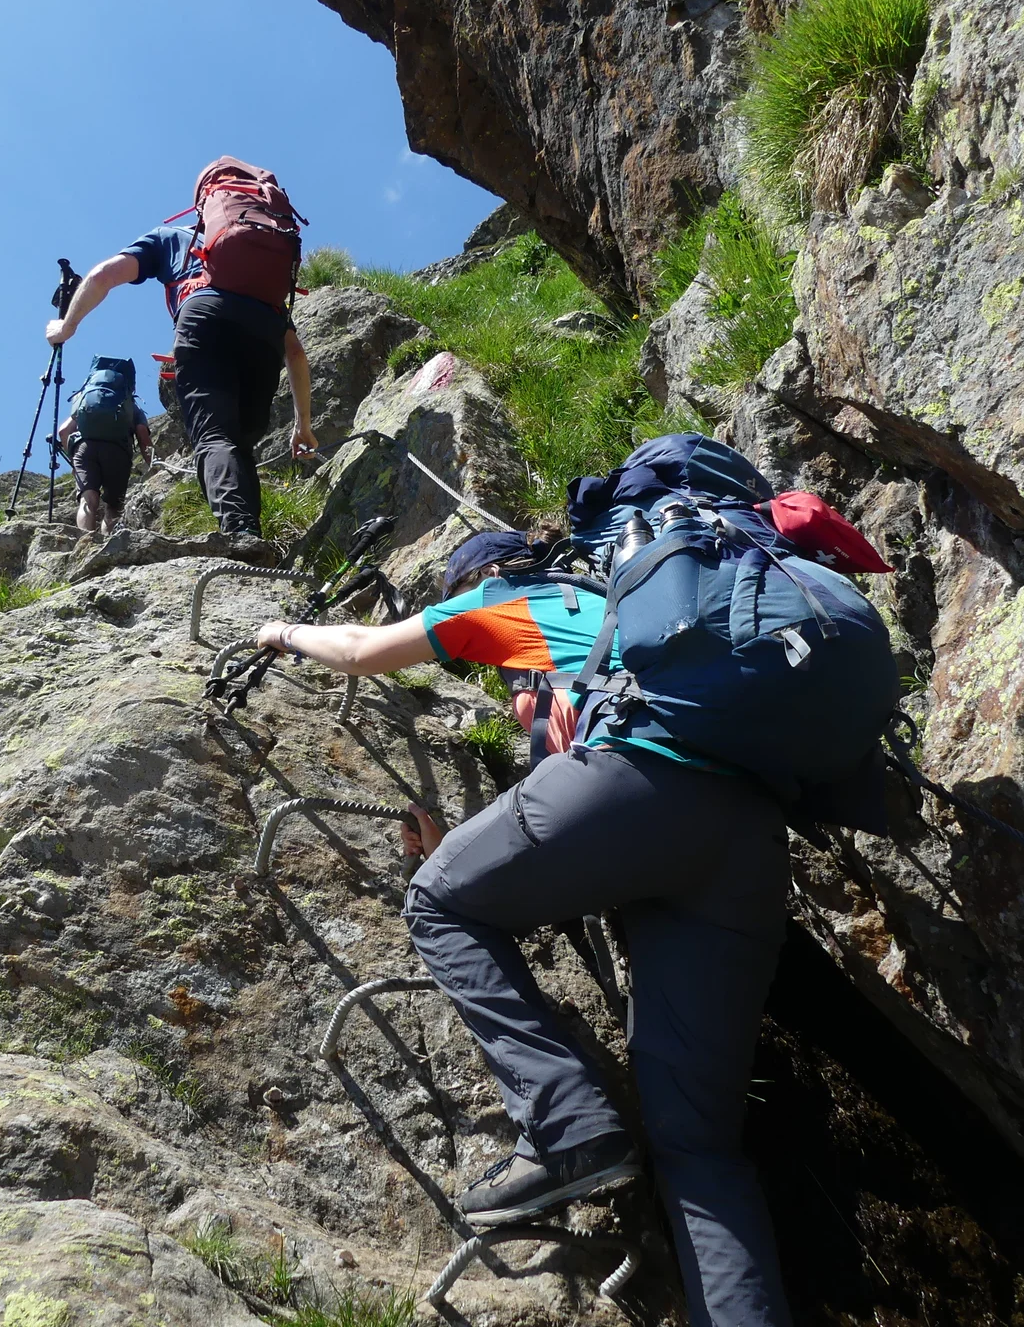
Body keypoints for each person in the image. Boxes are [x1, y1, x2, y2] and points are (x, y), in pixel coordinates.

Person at [255, 528, 796, 1327]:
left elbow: (363, 650)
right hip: (749, 838)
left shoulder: (508, 599)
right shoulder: (632, 610)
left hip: (638, 780)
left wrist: (279, 632)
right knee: (700, 1151)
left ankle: (565, 1125)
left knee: (436, 901)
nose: (502, 692)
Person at [44, 166, 317, 539]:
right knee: (240, 443)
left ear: (203, 203)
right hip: (265, 328)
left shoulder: (172, 237)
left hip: (204, 316)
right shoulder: (266, 259)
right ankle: (249, 534)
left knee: (215, 438)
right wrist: (303, 426)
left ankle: (241, 536)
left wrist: (68, 325)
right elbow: (296, 354)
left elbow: (104, 275)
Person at [53, 401, 154, 540]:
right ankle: (107, 544)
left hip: (84, 448)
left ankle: (85, 545)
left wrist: (73, 463)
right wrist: (155, 465)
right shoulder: (131, 405)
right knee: (113, 506)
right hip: (117, 450)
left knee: (87, 500)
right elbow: (142, 435)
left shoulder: (87, 400)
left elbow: (63, 431)